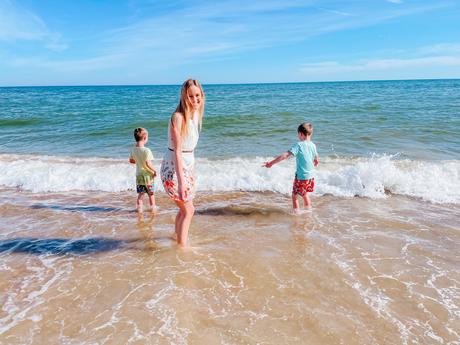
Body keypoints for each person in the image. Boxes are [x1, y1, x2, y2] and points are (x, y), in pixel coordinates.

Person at [160, 79, 205, 247]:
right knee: (189, 210)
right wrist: (181, 181)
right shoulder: (178, 117)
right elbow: (178, 152)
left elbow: (188, 151)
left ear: (202, 95)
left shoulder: (195, 115)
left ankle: (176, 239)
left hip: (185, 168)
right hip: (173, 171)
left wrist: (189, 173)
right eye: (190, 96)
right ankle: (182, 248)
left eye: (197, 95)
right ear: (184, 97)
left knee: (184, 209)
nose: (194, 99)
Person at [263, 122, 319, 212]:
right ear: (310, 133)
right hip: (310, 176)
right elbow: (316, 158)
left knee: (294, 195)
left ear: (300, 133)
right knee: (305, 194)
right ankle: (309, 211)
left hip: (301, 176)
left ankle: (296, 213)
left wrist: (271, 163)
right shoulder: (313, 145)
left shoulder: (299, 145)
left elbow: (285, 155)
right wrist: (315, 162)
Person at [129, 127, 157, 213]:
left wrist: (138, 161)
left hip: (139, 175)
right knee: (151, 194)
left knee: (141, 194)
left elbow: (131, 161)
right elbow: (148, 163)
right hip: (148, 176)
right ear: (145, 138)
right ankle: (153, 209)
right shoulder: (147, 150)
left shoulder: (133, 150)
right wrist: (154, 171)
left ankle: (139, 209)